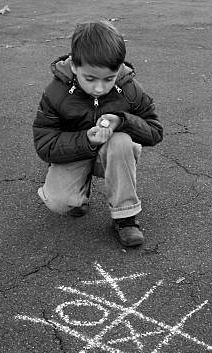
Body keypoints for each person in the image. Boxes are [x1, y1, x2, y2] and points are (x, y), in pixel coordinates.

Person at [33, 20, 163, 247]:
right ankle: (79, 189)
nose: (100, 88)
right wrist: (86, 140)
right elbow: (45, 145)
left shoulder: (129, 87)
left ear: (119, 68)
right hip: (76, 151)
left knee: (121, 141)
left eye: (109, 79)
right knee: (59, 202)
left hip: (112, 155)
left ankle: (126, 218)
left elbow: (154, 131)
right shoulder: (56, 93)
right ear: (74, 66)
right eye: (90, 79)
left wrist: (123, 122)